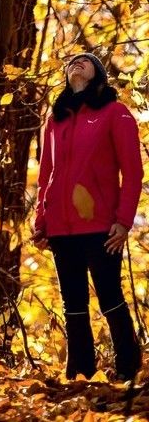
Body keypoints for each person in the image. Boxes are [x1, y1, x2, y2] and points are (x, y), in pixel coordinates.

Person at [34, 52, 143, 381]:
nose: (76, 63)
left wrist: (123, 221)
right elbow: (45, 177)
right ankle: (80, 374)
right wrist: (42, 220)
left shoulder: (115, 113)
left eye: (85, 60)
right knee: (74, 305)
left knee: (110, 297)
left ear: (98, 73)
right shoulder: (56, 120)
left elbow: (133, 173)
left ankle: (129, 370)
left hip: (102, 226)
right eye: (71, 62)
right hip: (61, 229)